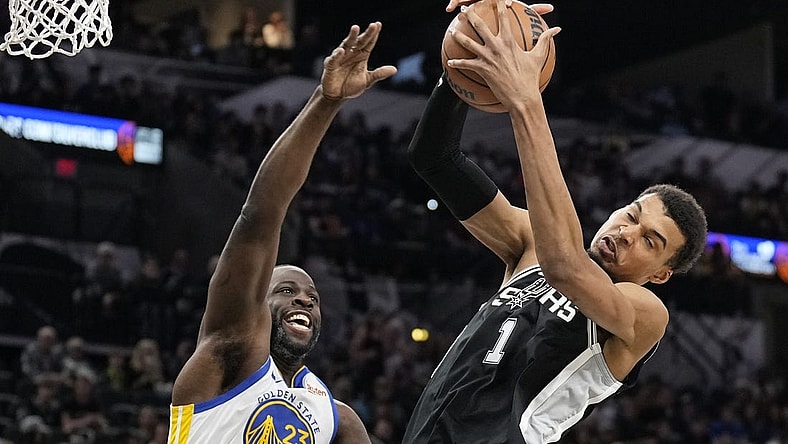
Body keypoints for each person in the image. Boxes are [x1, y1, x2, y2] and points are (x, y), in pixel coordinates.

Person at [401, 1, 708, 442]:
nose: (626, 233)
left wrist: (526, 101)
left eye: (650, 241)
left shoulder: (641, 315)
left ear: (661, 273)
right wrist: (465, 59)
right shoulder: (529, 245)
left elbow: (565, 266)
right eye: (631, 216)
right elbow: (434, 158)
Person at [167, 22, 396, 443]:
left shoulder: (337, 419)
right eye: (287, 290)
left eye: (311, 296)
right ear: (255, 299)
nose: (305, 299)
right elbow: (260, 217)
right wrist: (325, 102)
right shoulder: (227, 350)